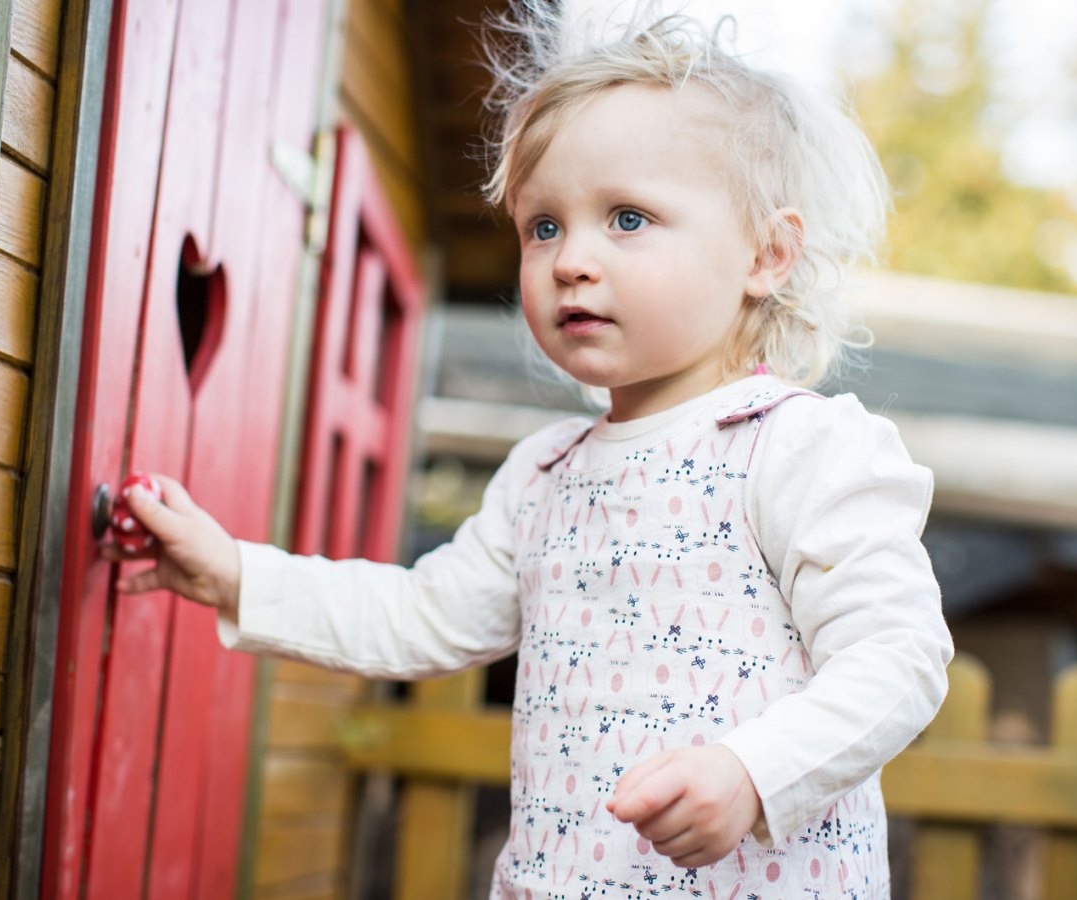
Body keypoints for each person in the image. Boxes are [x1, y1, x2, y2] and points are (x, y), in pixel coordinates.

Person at [112, 6, 953, 897]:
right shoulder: (546, 476)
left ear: (767, 253)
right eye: (543, 225)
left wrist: (753, 771)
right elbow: (418, 615)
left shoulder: (796, 447)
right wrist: (235, 575)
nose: (570, 260)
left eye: (627, 218)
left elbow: (897, 658)